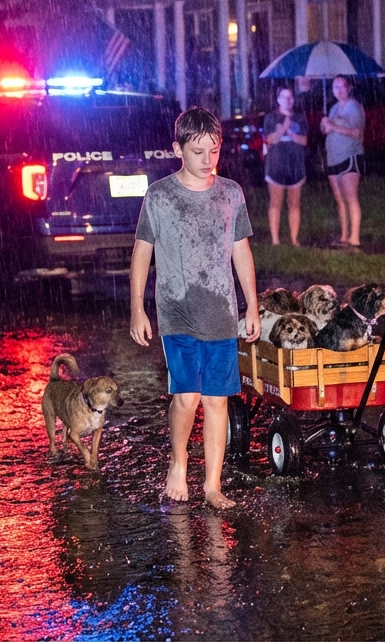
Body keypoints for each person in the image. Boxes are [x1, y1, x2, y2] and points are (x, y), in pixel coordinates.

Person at [130, 107, 260, 510]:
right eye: (198, 151)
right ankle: (178, 461)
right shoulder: (161, 195)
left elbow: (241, 251)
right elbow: (142, 252)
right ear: (178, 150)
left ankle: (212, 485)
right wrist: (137, 306)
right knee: (186, 396)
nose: (208, 160)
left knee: (217, 400)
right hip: (176, 310)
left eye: (214, 150)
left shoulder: (231, 193)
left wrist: (251, 305)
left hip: (220, 311)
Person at [321, 75, 366, 248]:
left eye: (342, 87)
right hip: (333, 158)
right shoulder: (333, 108)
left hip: (349, 156)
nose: (338, 90)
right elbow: (328, 130)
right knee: (340, 199)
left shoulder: (354, 107)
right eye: (335, 87)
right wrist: (325, 125)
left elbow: (356, 132)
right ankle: (344, 236)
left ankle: (354, 238)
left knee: (350, 197)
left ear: (348, 88)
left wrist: (333, 126)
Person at [262, 86, 308, 246]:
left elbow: (304, 140)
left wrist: (291, 132)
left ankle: (294, 239)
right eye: (284, 97)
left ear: (293, 100)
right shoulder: (271, 118)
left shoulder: (300, 118)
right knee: (275, 203)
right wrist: (284, 127)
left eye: (290, 97)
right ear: (278, 99)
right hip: (276, 165)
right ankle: (275, 240)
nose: (287, 100)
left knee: (294, 204)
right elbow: (271, 139)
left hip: (296, 165)